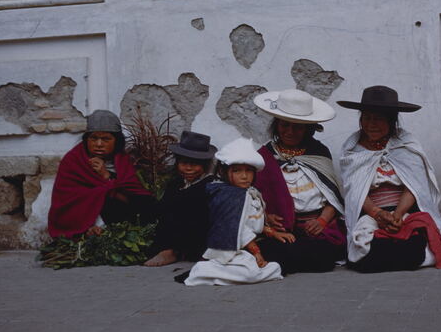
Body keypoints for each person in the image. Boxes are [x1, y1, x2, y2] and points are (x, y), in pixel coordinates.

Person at [337, 86, 441, 272]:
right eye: (367, 118)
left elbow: (414, 186)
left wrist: (397, 215)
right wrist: (378, 214)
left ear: (392, 120)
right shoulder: (352, 149)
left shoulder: (406, 144)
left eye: (379, 118)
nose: (371, 124)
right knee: (364, 247)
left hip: (402, 211)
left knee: (415, 242)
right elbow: (355, 190)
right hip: (371, 214)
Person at [251, 89, 348, 274]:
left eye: (298, 127)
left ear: (307, 129)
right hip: (281, 232)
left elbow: (333, 197)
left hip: (318, 229)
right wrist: (267, 218)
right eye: (285, 125)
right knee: (275, 251)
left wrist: (322, 221)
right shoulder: (264, 157)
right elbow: (253, 198)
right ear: (277, 125)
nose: (290, 132)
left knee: (323, 257)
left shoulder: (319, 153)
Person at [181, 137, 290, 286]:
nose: (244, 176)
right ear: (224, 172)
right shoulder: (229, 196)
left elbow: (252, 220)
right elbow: (238, 228)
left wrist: (273, 232)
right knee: (251, 272)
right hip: (232, 246)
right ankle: (204, 270)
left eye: (249, 171)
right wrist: (257, 253)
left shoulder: (250, 191)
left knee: (285, 251)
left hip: (251, 241)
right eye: (237, 171)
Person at [47, 110, 157, 239]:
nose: (99, 144)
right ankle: (91, 231)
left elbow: (132, 191)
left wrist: (106, 176)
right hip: (83, 216)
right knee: (105, 197)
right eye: (93, 138)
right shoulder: (74, 161)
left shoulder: (121, 160)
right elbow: (68, 200)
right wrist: (106, 190)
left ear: (116, 141)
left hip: (118, 214)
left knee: (148, 203)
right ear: (86, 140)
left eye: (106, 139)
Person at [144, 131, 217, 267]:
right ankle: (168, 249)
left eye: (195, 164)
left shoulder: (210, 185)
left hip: (198, 235)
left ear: (205, 165)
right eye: (184, 163)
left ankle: (177, 251)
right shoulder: (175, 183)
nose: (188, 168)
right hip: (173, 231)